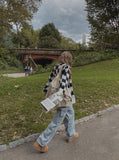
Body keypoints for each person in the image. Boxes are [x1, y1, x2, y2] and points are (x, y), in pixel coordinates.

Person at [33, 51, 78, 153]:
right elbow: (63, 83)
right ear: (69, 59)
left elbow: (50, 80)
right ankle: (41, 143)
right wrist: (60, 95)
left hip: (61, 97)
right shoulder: (66, 68)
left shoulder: (56, 67)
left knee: (70, 114)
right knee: (56, 122)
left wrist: (45, 91)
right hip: (63, 97)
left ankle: (71, 134)